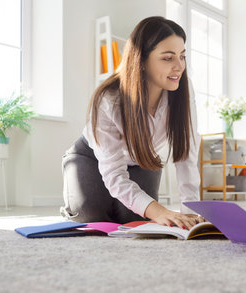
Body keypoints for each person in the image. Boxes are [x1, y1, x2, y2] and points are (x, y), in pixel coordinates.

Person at [61, 16, 204, 229]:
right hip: (91, 157)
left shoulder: (183, 89)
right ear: (142, 61)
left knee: (135, 219)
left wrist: (192, 215)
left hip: (143, 160)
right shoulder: (109, 99)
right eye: (168, 58)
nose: (179, 66)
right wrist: (160, 210)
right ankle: (72, 203)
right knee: (91, 217)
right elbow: (114, 174)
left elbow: (187, 155)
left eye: (182, 56)